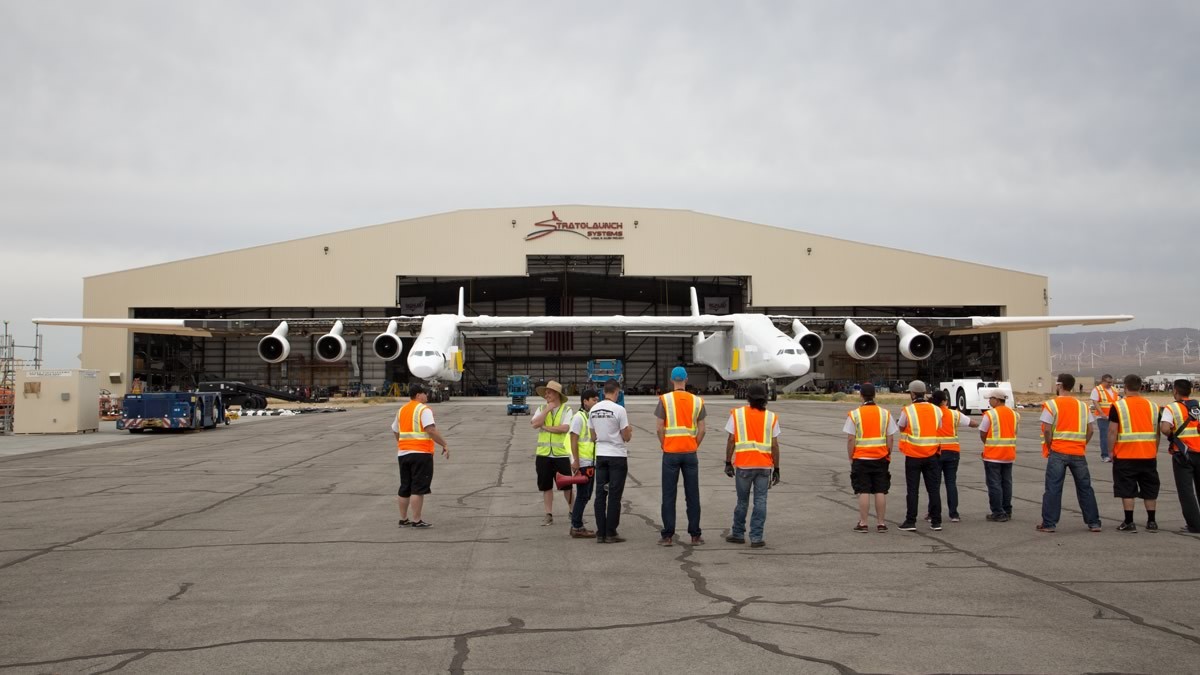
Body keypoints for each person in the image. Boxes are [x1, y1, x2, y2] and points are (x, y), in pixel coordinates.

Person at [1037, 373, 1102, 533]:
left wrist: (1050, 445)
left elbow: (1046, 429)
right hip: (1078, 452)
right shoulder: (1083, 406)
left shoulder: (1051, 405)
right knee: (1085, 487)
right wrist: (1081, 443)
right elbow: (1091, 430)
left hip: (1058, 451)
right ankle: (1094, 523)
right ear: (1072, 386)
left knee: (1053, 487)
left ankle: (1049, 523)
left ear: (1059, 385)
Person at [724, 382, 780, 548]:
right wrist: (776, 468)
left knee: (742, 501)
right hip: (764, 466)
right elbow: (775, 445)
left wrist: (728, 462)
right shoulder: (771, 417)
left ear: (748, 398)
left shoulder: (737, 414)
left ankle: (738, 533)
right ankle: (756, 537)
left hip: (744, 466)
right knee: (761, 501)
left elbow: (731, 440)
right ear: (765, 398)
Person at [656, 366, 707, 546]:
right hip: (690, 453)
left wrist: (665, 444)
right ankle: (695, 535)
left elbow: (659, 427)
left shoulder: (665, 400)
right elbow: (702, 429)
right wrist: (694, 444)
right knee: (692, 494)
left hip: (670, 453)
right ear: (686, 380)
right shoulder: (697, 401)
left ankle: (668, 536)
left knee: (669, 495)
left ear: (672, 380)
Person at [392, 384, 450, 528]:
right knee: (418, 488)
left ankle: (403, 519)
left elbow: (394, 429)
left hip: (403, 453)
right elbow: (430, 430)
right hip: (421, 454)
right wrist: (444, 444)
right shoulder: (423, 410)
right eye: (425, 393)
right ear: (418, 395)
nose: (427, 396)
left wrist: (402, 442)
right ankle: (417, 520)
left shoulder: (402, 410)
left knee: (405, 486)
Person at [1108, 375, 1161, 532]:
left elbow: (1112, 431)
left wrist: (1110, 451)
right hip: (1148, 455)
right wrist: (1154, 449)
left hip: (1125, 455)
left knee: (1127, 489)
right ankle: (1151, 521)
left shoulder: (1118, 406)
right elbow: (1157, 433)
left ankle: (1129, 522)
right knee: (1149, 488)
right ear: (1141, 387)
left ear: (1125, 387)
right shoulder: (1154, 406)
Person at [844, 383, 896, 532]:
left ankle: (864, 523)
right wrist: (888, 453)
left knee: (864, 491)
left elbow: (850, 439)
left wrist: (851, 457)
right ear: (875, 395)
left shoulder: (855, 414)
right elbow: (890, 437)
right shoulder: (885, 413)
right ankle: (881, 523)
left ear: (861, 395)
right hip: (880, 457)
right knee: (880, 490)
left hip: (861, 457)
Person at [896, 380, 944, 532]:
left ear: (912, 394)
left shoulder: (908, 410)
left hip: (913, 455)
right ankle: (936, 521)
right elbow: (939, 427)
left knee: (913, 490)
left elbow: (901, 426)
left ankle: (911, 521)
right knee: (934, 489)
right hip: (932, 455)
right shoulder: (937, 410)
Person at [590, 379, 632, 544]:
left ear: (603, 392)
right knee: (614, 495)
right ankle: (611, 532)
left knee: (600, 494)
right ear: (616, 392)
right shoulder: (619, 410)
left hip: (601, 455)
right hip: (617, 456)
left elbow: (593, 436)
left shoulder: (593, 409)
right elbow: (626, 436)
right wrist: (629, 432)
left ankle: (600, 532)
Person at [930, 389, 979, 522]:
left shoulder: (931, 413)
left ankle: (933, 513)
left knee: (934, 484)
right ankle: (954, 514)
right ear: (945, 401)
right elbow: (973, 423)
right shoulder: (954, 414)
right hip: (952, 451)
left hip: (936, 451)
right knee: (951, 482)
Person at [531, 380, 574, 527]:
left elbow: (564, 428)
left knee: (567, 486)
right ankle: (548, 514)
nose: (546, 395)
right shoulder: (542, 408)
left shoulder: (566, 410)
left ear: (557, 394)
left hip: (560, 454)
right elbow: (535, 424)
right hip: (543, 455)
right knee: (546, 486)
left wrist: (546, 427)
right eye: (546, 393)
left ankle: (572, 511)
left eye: (549, 392)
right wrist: (547, 410)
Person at [1159, 379, 1200, 533]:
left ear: (1175, 391)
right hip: (1199, 450)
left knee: (1186, 490)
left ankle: (1194, 524)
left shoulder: (1172, 408)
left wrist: (1172, 436)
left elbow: (1164, 428)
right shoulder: (1197, 406)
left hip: (1183, 453)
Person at [979, 390, 1019, 522]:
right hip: (1008, 454)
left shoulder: (990, 414)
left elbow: (983, 432)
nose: (989, 401)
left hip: (993, 454)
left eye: (990, 399)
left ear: (996, 399)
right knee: (1006, 482)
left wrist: (988, 444)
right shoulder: (1014, 414)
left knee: (994, 483)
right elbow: (1015, 432)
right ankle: (1007, 510)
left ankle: (997, 512)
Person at [567, 389, 600, 538]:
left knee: (586, 495)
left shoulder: (590, 417)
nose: (596, 402)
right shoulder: (579, 417)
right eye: (594, 400)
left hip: (591, 462)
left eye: (597, 400)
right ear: (585, 401)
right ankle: (577, 526)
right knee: (582, 495)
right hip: (583, 463)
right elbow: (573, 439)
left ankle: (577, 524)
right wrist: (576, 461)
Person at [1091, 374, 1120, 463]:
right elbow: (1095, 402)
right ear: (1103, 381)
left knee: (1115, 435)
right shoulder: (1097, 390)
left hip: (1113, 417)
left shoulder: (1114, 390)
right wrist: (1101, 413)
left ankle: (1114, 454)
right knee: (1104, 436)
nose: (1110, 384)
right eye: (1108, 382)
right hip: (1102, 417)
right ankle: (1105, 455)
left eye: (1111, 382)